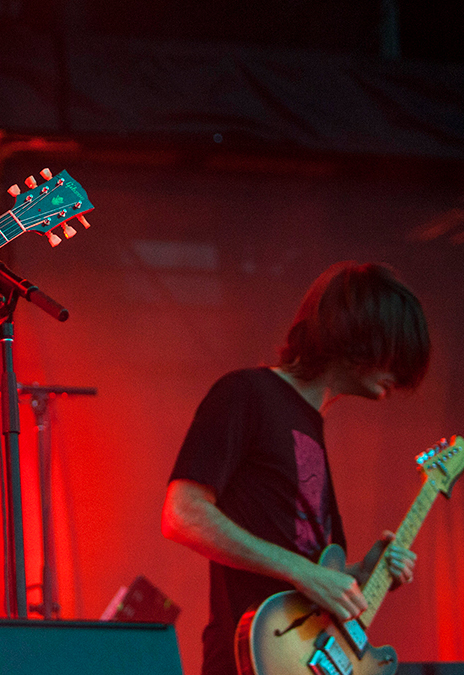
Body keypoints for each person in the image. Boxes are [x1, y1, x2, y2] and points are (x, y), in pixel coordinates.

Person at [161, 262, 429, 675]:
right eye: (396, 351)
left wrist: (361, 574)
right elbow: (182, 514)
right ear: (359, 335)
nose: (401, 373)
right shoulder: (245, 393)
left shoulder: (312, 429)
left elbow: (305, 579)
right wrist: (304, 573)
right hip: (245, 662)